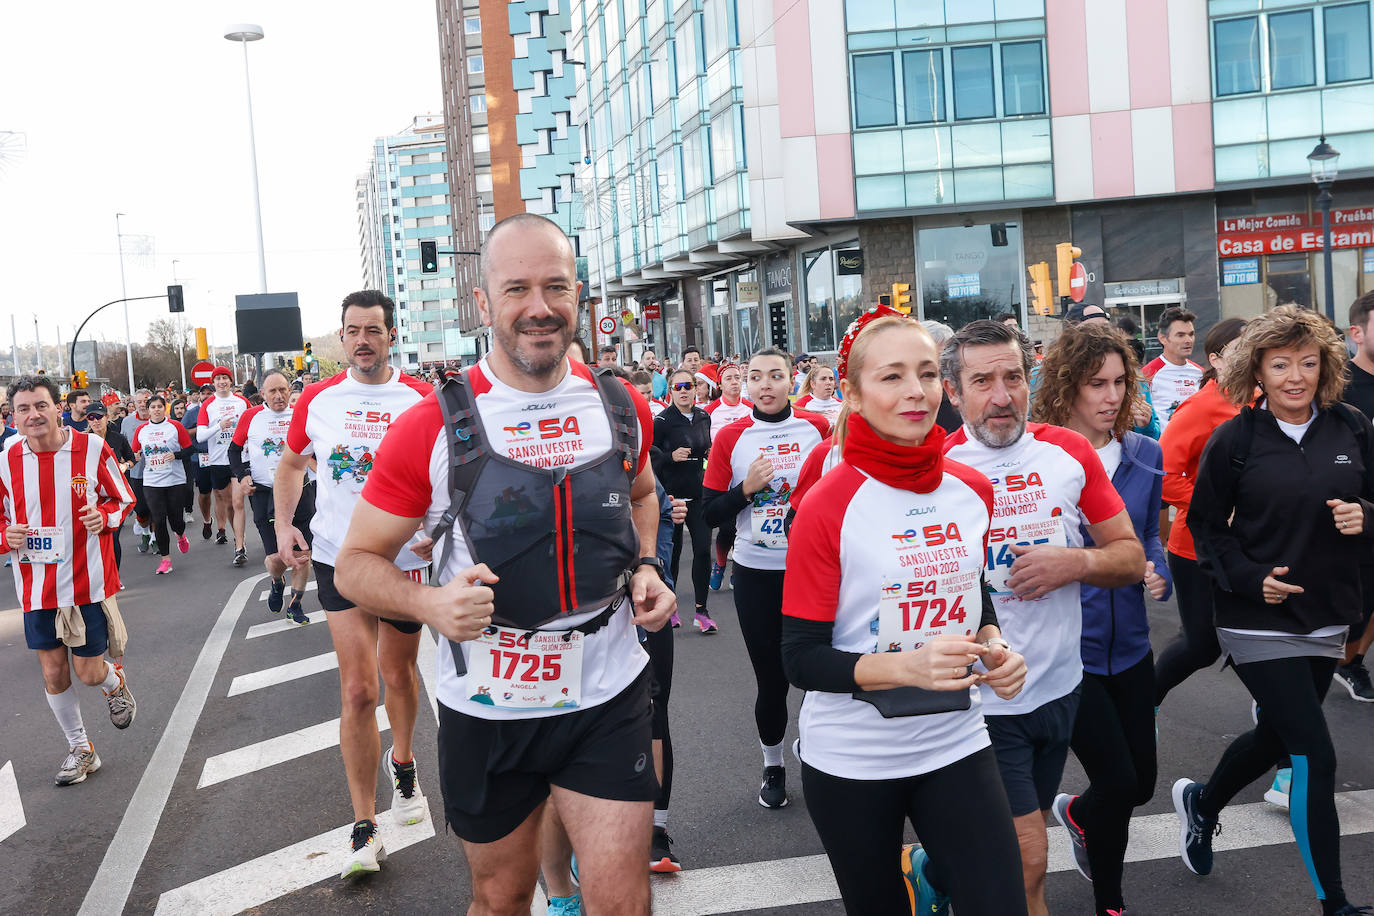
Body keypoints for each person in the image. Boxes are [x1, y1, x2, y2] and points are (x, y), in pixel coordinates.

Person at [333, 214, 674, 913]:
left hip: (604, 691)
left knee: (622, 899)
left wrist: (646, 566)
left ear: (579, 296)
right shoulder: (431, 423)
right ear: (484, 304)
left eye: (556, 286)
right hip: (489, 705)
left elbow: (642, 494)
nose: (539, 307)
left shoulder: (619, 402)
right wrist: (428, 605)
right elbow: (354, 565)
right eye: (516, 288)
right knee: (500, 897)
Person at [782, 308, 1028, 916]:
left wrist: (993, 642)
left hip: (955, 740)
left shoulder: (972, 488)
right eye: (891, 377)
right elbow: (801, 658)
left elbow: (973, 592)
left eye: (923, 373)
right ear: (854, 395)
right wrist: (908, 668)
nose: (914, 392)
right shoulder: (826, 504)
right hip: (854, 756)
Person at [938, 319, 1144, 916]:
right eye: (982, 381)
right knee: (1028, 862)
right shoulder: (935, 468)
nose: (1002, 397)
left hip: (1060, 690)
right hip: (984, 705)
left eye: (1012, 378)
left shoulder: (1068, 452)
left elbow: (1130, 557)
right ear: (953, 392)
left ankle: (940, 871)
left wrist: (1074, 562)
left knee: (999, 858)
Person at [1174, 305, 1373, 916]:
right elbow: (1203, 525)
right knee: (1314, 751)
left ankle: (1204, 804)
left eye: (1308, 363)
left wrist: (1366, 514)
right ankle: (1334, 903)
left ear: (1326, 366)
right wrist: (1249, 577)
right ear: (1257, 368)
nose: (1295, 376)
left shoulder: (1352, 426)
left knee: (1277, 734)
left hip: (1326, 613)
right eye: (1280, 363)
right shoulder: (1235, 439)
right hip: (1254, 618)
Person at [271, 290, 434, 879]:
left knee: (398, 676)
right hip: (339, 559)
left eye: (373, 330)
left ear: (391, 335)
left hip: (401, 563)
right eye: (352, 331)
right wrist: (286, 525)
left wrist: (435, 532)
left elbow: (446, 475)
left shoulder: (419, 398)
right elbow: (290, 465)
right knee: (360, 691)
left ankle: (405, 761)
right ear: (340, 338)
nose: (362, 340)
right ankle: (364, 827)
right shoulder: (317, 400)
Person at [1033, 324, 1170, 916]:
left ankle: (1077, 814)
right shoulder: (1043, 463)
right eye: (1097, 384)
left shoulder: (1145, 453)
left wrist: (1156, 569)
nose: (1111, 396)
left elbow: (1147, 538)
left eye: (1119, 382)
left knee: (1139, 785)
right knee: (1117, 780)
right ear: (1067, 389)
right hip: (1073, 655)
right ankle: (1110, 904)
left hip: (1133, 649)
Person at [703, 347, 829, 809]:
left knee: (822, 673)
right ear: (744, 385)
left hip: (813, 571)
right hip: (757, 573)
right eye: (755, 378)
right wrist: (745, 490)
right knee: (772, 679)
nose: (765, 385)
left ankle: (822, 756)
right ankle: (773, 763)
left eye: (776, 376)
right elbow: (708, 512)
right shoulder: (731, 438)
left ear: (791, 380)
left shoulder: (818, 428)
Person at [0, 375, 137, 786]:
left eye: (40, 405)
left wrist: (105, 518)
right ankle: (81, 749)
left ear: (58, 408)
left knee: (89, 673)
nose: (32, 415)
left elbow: (123, 496)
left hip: (84, 581)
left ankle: (114, 683)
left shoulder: (91, 447)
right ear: (14, 415)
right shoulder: (6, 459)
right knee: (54, 674)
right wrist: (6, 535)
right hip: (35, 585)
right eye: (23, 408)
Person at [1153, 318, 1249, 708]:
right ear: (1217, 359)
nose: (1249, 358)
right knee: (1200, 646)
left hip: (1252, 546)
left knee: (1258, 643)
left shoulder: (1264, 399)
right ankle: (1145, 705)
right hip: (1196, 549)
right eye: (1240, 350)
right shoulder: (1203, 405)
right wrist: (1215, 507)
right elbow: (1163, 476)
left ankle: (1282, 731)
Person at [229, 369, 313, 626]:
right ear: (262, 393)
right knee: (276, 556)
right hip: (265, 492)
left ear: (290, 390)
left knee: (303, 553)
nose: (279, 396)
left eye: (283, 390)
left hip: (302, 488)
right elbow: (233, 450)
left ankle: (295, 605)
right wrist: (243, 476)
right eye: (273, 391)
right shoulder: (250, 417)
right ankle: (277, 581)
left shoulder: (302, 415)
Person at [654, 367, 715, 632]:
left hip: (698, 494)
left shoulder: (704, 417)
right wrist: (670, 457)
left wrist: (710, 453)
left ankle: (702, 611)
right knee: (674, 554)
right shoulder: (662, 421)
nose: (683, 392)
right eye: (678, 387)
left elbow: (706, 447)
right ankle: (672, 607)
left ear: (695, 389)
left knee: (702, 550)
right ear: (670, 391)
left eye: (687, 386)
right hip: (673, 497)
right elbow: (651, 458)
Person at [1338, 290, 1374, 702]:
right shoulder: (1341, 388)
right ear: (1357, 333)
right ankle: (1343, 663)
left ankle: (1354, 661)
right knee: (1354, 609)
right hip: (1354, 516)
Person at [130, 394, 194, 575]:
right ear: (148, 410)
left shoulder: (175, 426)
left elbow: (190, 449)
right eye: (153, 407)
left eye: (159, 406)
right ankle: (166, 560)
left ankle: (180, 535)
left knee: (176, 520)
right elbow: (135, 452)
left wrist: (176, 455)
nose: (156, 410)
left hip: (174, 479)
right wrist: (134, 457)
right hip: (151, 481)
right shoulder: (141, 430)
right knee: (158, 520)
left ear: (164, 408)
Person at [195, 368, 251, 564]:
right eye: (218, 379)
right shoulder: (208, 405)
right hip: (218, 460)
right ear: (214, 383)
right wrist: (219, 426)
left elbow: (252, 426)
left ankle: (240, 547)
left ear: (230, 381)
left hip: (238, 458)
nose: (221, 382)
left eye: (225, 378)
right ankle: (237, 535)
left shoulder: (242, 402)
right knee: (228, 504)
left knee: (238, 503)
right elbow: (200, 435)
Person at [85, 406, 136, 569]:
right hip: (93, 495)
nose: (95, 421)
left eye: (98, 416)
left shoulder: (118, 438)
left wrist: (125, 466)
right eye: (91, 418)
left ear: (106, 417)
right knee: (96, 538)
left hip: (116, 494)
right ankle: (99, 573)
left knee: (112, 536)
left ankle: (114, 575)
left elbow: (132, 459)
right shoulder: (83, 440)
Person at [1143, 307, 1203, 429]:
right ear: (1163, 338)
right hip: (1163, 446)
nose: (1188, 340)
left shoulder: (1201, 373)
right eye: (1180, 335)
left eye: (1191, 334)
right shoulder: (1147, 374)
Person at [120, 389, 153, 554]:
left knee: (156, 507)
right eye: (139, 401)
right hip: (136, 472)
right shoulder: (127, 422)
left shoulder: (162, 420)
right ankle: (146, 532)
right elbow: (122, 444)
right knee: (141, 509)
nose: (142, 404)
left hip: (157, 472)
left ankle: (155, 538)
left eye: (145, 400)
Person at [181, 386, 216, 539]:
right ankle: (207, 519)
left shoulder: (220, 410)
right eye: (204, 393)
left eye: (210, 393)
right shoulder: (192, 413)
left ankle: (222, 529)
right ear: (200, 396)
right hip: (200, 456)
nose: (206, 396)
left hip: (220, 456)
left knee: (223, 494)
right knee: (204, 493)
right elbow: (183, 433)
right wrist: (200, 429)